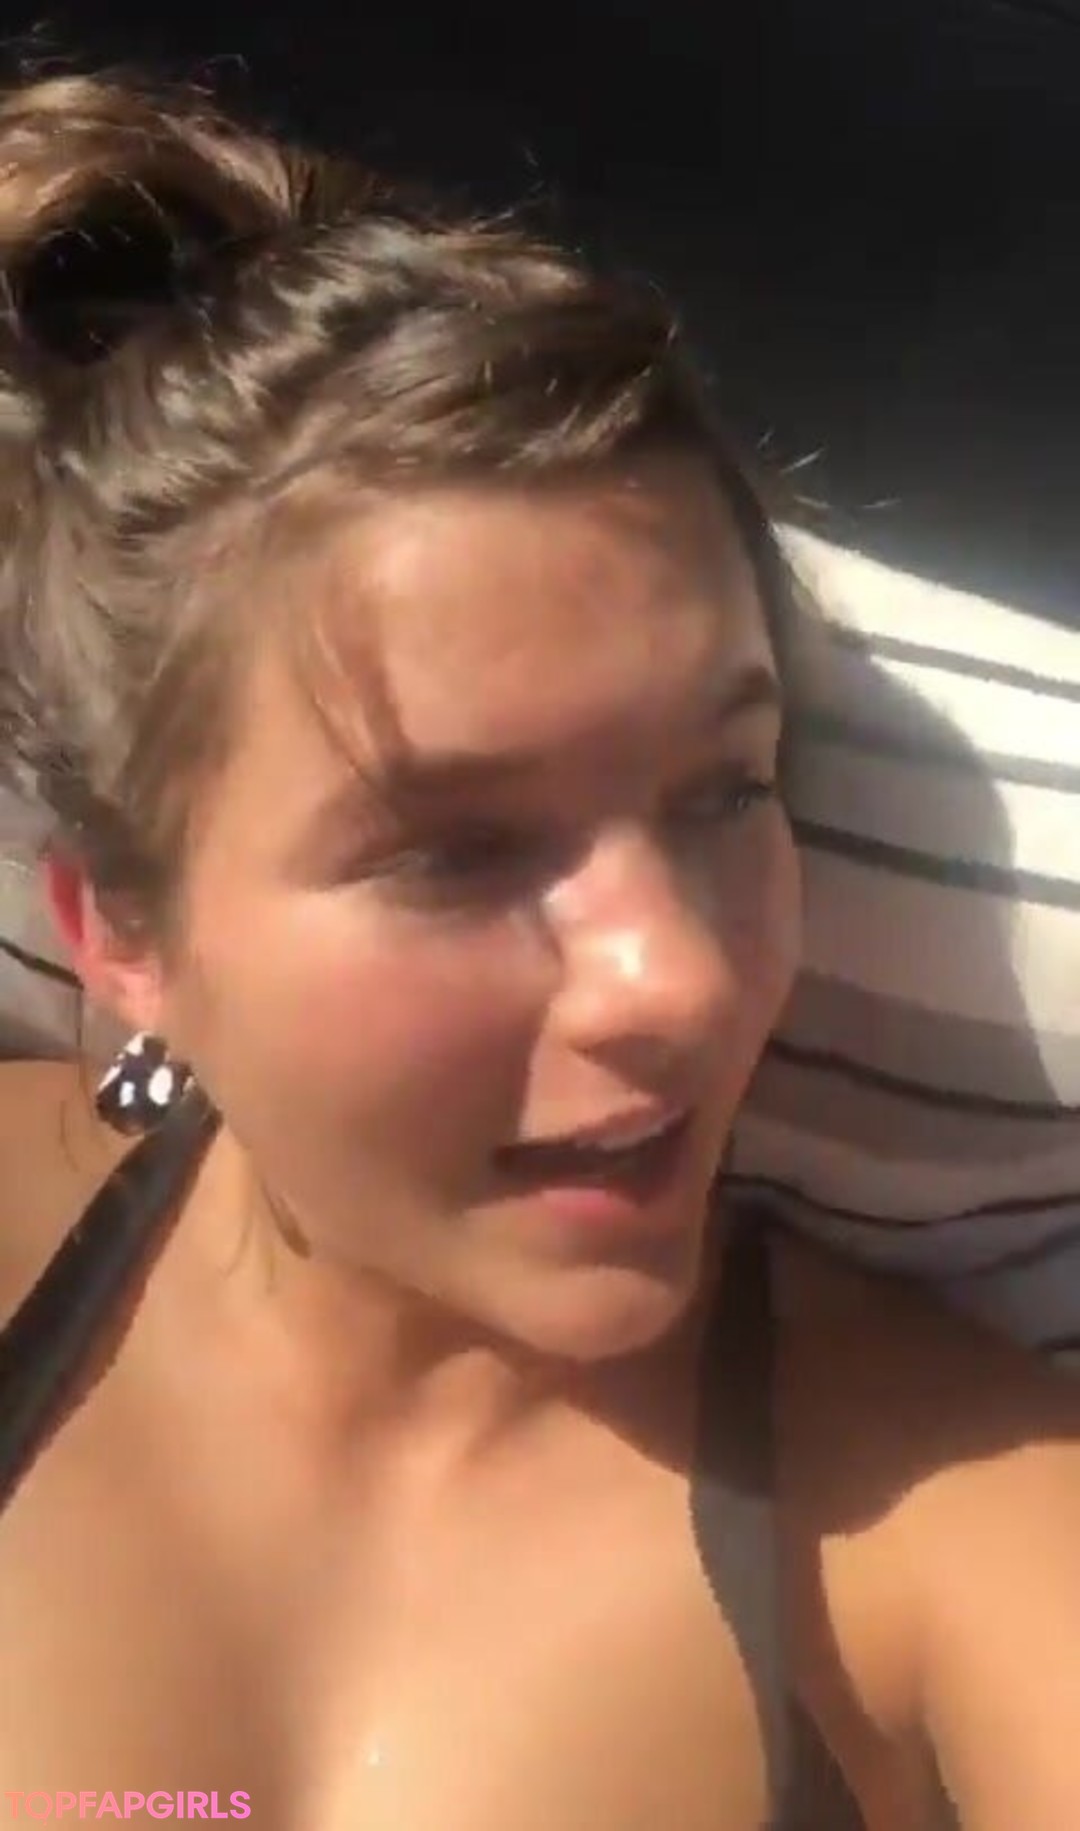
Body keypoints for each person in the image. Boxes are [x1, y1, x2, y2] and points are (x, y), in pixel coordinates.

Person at [0, 71, 1077, 1831]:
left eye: (728, 791)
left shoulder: (942, 1516)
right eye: (454, 851)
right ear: (123, 932)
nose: (684, 981)